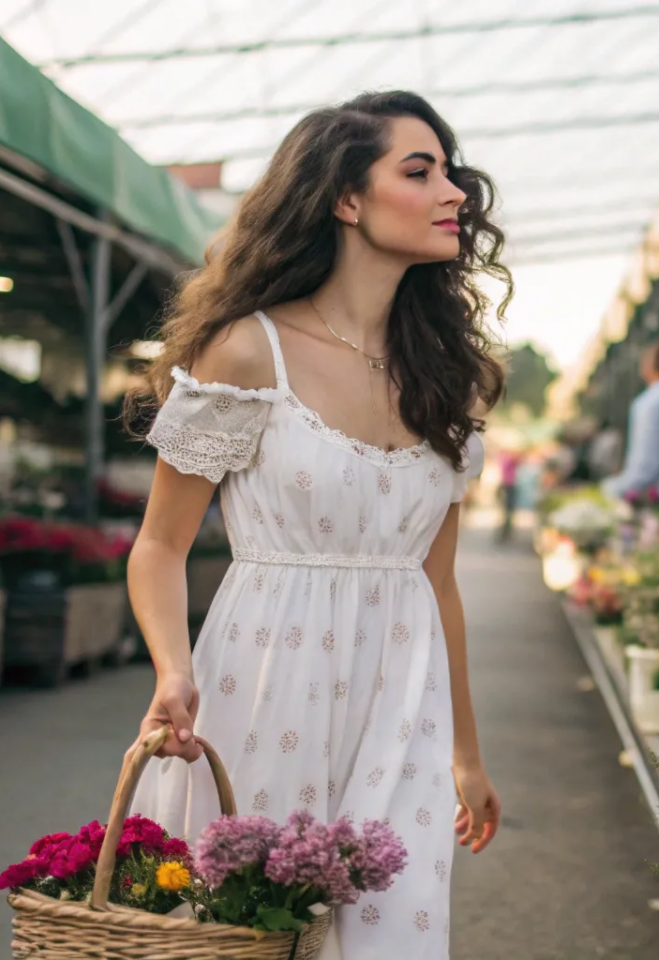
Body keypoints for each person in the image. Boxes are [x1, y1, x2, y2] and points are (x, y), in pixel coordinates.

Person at [123, 91, 505, 958]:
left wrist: (467, 756)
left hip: (404, 701)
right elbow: (160, 544)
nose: (455, 192)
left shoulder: (454, 379)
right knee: (244, 933)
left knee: (388, 934)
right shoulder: (249, 350)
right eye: (421, 171)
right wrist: (172, 672)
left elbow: (437, 585)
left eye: (451, 171)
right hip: (264, 679)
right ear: (345, 198)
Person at [602, 341, 659, 500]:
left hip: (653, 498)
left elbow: (645, 467)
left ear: (649, 366)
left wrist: (613, 488)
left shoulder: (647, 404)